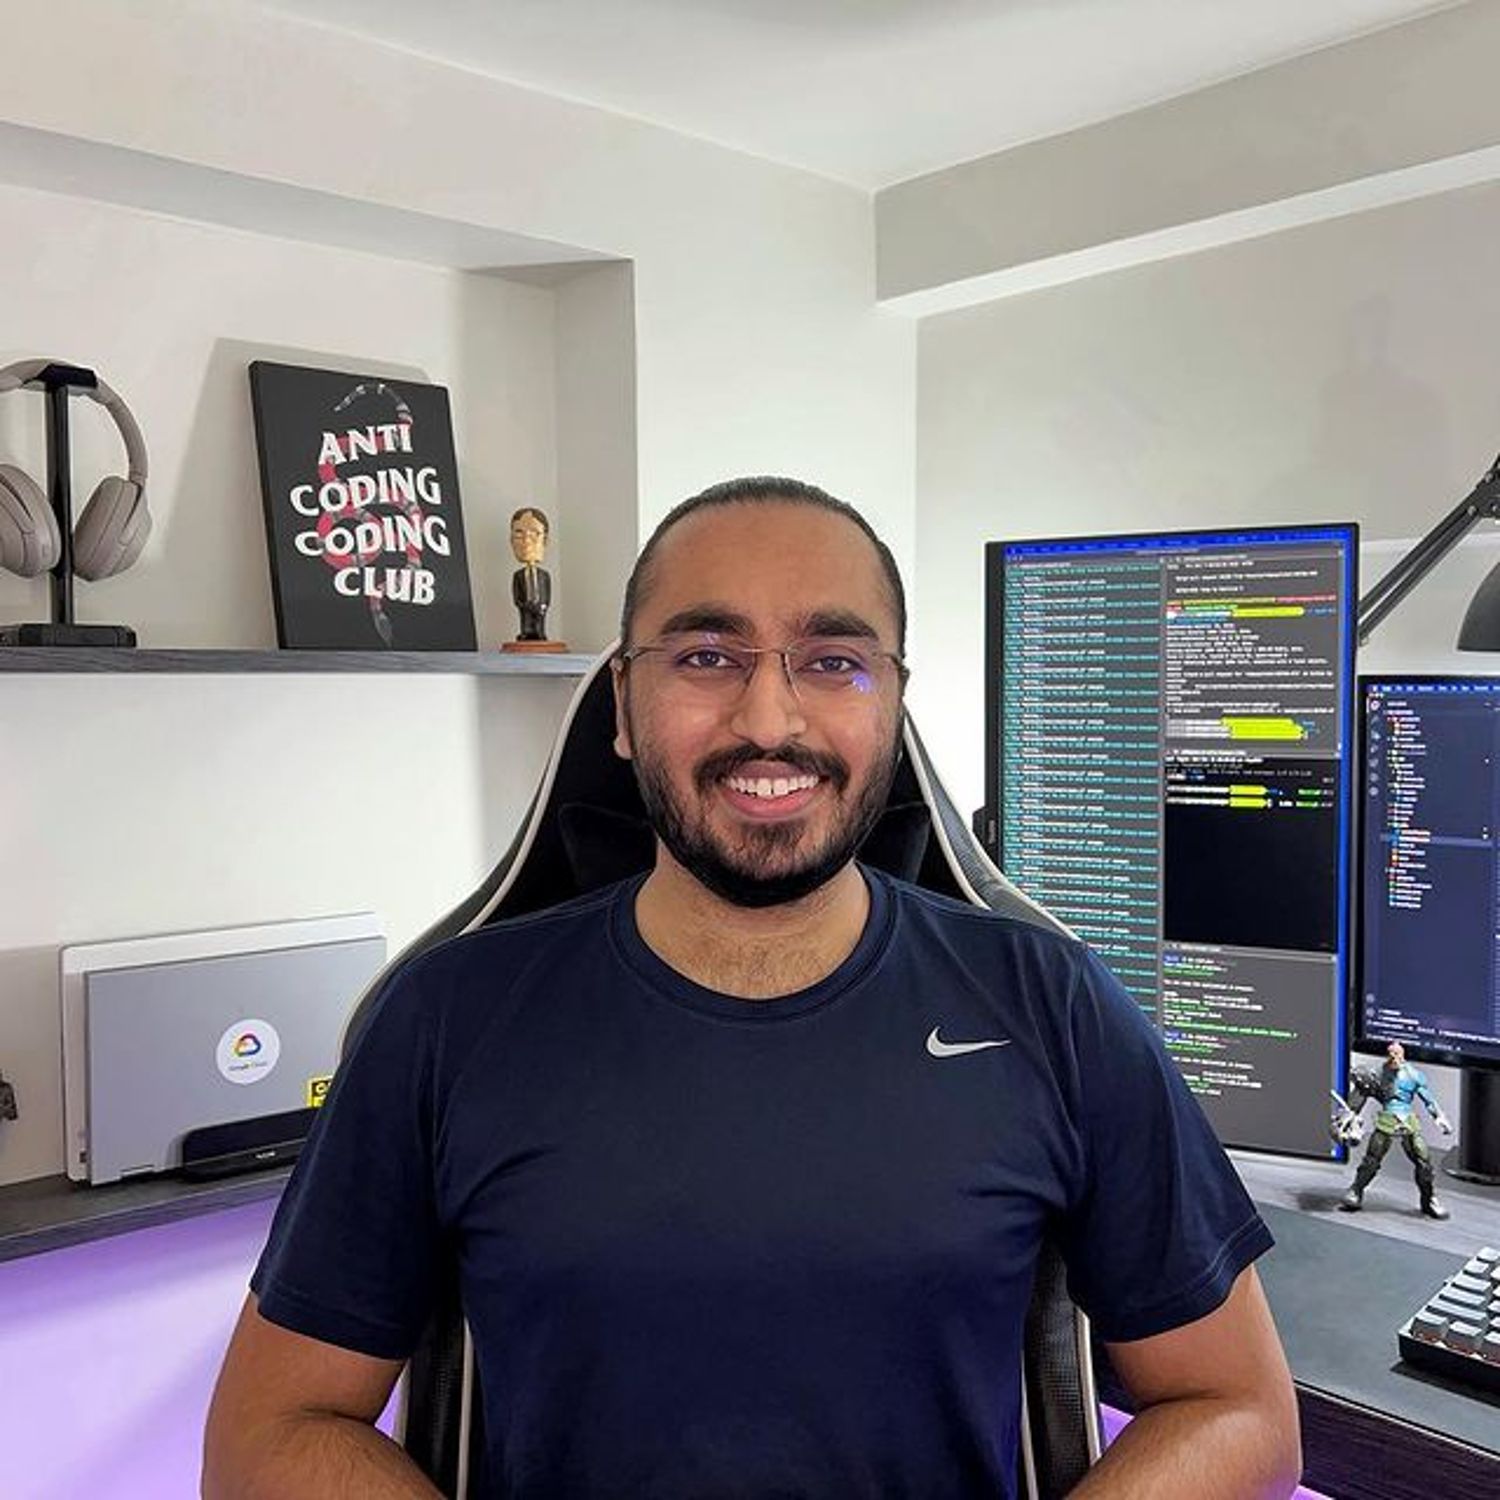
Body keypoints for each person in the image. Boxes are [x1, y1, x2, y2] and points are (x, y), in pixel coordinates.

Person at [204, 477, 1301, 1498]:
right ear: (623, 705)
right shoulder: (443, 1019)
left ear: (892, 703)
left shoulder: (1052, 1005)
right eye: (706, 656)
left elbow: (1237, 1408)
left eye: (833, 661)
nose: (770, 722)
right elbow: (270, 1431)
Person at [1337, 1039, 1453, 1218]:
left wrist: (1439, 1117)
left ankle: (1429, 1199)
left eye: (1397, 1054)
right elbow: (1360, 1095)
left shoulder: (1414, 1075)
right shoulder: (1377, 1074)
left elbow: (1428, 1099)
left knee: (1424, 1162)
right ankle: (1356, 1190)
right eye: (1391, 1054)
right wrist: (1349, 1117)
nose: (1394, 1057)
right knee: (1371, 1160)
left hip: (1407, 1120)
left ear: (1402, 1055)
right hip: (1387, 1119)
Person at [509, 506, 552, 641]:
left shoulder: (544, 575)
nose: (526, 542)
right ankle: (526, 632)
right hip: (525, 607)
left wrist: (544, 605)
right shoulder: (518, 575)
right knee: (526, 620)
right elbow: (516, 593)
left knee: (540, 620)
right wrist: (522, 604)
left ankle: (540, 632)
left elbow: (547, 591)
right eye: (519, 535)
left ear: (545, 540)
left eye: (534, 534)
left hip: (540, 607)